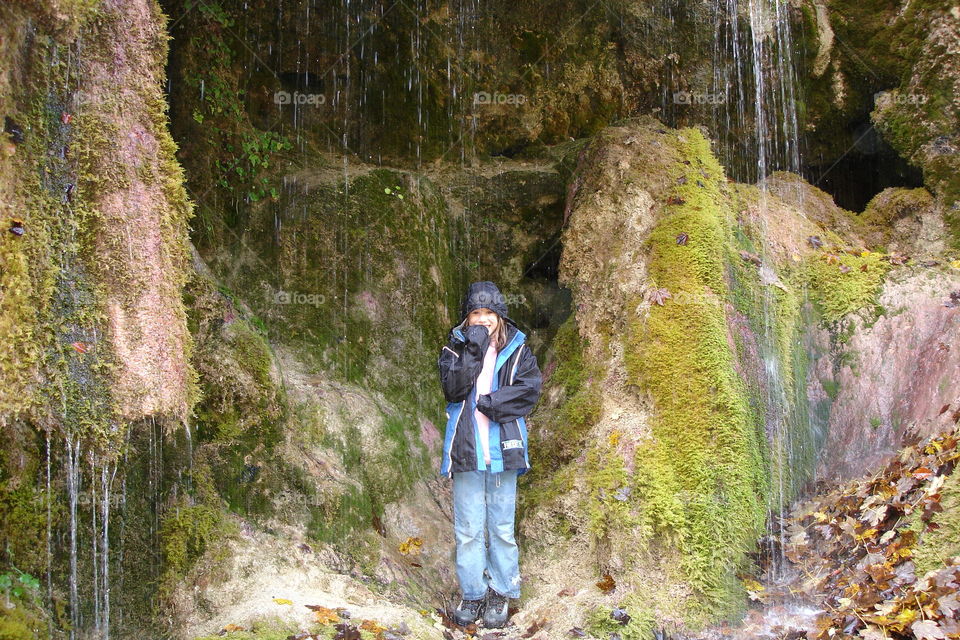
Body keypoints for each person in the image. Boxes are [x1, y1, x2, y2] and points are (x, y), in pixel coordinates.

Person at [437, 281, 543, 629]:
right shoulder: (454, 348)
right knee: (468, 529)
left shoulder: (517, 349)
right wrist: (474, 349)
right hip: (467, 449)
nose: (482, 319)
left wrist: (491, 404)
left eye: (488, 313)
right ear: (467, 317)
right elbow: (452, 389)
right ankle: (473, 594)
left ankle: (501, 591)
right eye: (475, 313)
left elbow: (529, 390)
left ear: (500, 315)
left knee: (500, 527)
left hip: (504, 449)